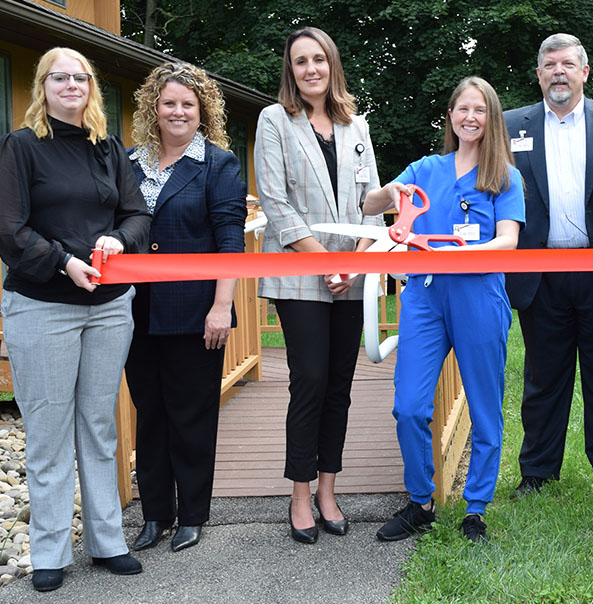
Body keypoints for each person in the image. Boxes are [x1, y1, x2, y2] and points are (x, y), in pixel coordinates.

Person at [0, 47, 150, 592]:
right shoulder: (20, 148)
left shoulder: (108, 149)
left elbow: (136, 213)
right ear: (43, 86)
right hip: (42, 306)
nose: (72, 85)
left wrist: (118, 239)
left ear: (91, 88)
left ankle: (107, 541)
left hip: (108, 308)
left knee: (99, 426)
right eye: (61, 77)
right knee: (49, 433)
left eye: (81, 78)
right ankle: (50, 551)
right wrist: (64, 261)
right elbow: (9, 229)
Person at [365, 76, 524, 543]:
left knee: (484, 406)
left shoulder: (504, 176)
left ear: (491, 117)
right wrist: (389, 195)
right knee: (408, 407)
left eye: (480, 109)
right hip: (424, 296)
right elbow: (373, 203)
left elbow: (509, 240)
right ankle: (420, 502)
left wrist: (459, 253)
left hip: (478, 295)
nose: (470, 117)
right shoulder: (425, 168)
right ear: (450, 116)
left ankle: (476, 508)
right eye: (462, 109)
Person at [255, 27, 384, 544]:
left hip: (349, 275)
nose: (311, 69)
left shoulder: (357, 126)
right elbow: (275, 200)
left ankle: (330, 489)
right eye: (300, 61)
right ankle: (301, 494)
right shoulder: (274, 120)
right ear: (291, 69)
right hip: (300, 275)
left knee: (339, 387)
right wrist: (326, 263)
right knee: (308, 381)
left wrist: (352, 264)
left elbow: (373, 202)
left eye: (319, 60)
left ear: (332, 65)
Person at [503, 33, 593, 497]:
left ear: (584, 72)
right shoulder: (509, 124)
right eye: (549, 65)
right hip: (538, 272)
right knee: (543, 379)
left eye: (567, 64)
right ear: (538, 74)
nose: (558, 72)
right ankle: (537, 473)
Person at [123, 62, 247, 553]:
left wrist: (221, 307)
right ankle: (155, 515)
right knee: (149, 413)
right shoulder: (128, 162)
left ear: (203, 113)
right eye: (169, 102)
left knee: (191, 415)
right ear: (154, 107)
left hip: (196, 312)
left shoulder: (218, 165)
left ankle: (193, 515)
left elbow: (230, 242)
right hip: (134, 312)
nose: (177, 111)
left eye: (188, 105)